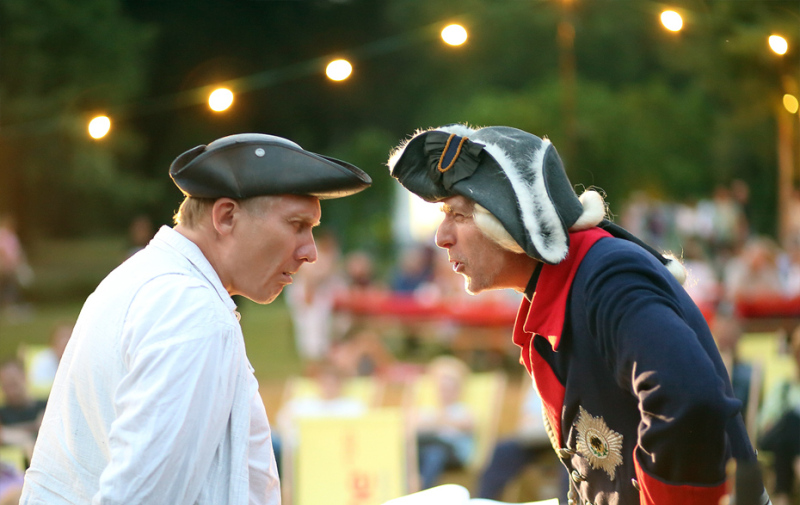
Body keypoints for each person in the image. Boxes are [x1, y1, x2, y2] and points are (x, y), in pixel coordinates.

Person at [388, 124, 767, 504]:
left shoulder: (609, 275)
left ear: (511, 218)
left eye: (458, 214)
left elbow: (689, 398)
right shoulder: (569, 285)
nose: (441, 236)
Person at [19, 133, 371, 505]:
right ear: (226, 216)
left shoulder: (140, 278)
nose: (310, 252)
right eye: (297, 224)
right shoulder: (195, 313)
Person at [412, 356, 475, 490]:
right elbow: (411, 428)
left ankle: (422, 492)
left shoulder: (463, 410)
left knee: (435, 453)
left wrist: (434, 421)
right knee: (413, 451)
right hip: (427, 448)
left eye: (449, 386)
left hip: (453, 454)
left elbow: (466, 425)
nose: (444, 390)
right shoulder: (428, 409)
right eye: (441, 385)